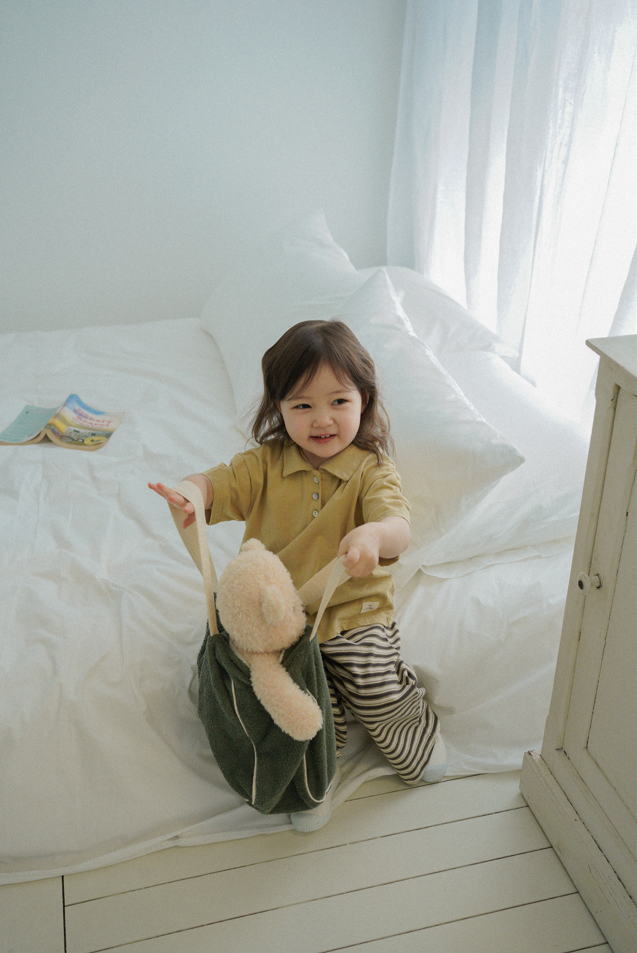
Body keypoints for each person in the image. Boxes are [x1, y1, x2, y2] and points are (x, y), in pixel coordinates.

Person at [149, 319, 446, 832]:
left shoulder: (372, 470)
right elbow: (217, 483)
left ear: (364, 400)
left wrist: (373, 537)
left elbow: (398, 525)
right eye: (302, 405)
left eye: (338, 401)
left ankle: (414, 734)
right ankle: (314, 778)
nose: (322, 419)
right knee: (301, 707)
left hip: (352, 610)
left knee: (375, 685)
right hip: (279, 620)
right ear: (279, 407)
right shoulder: (264, 465)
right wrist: (191, 491)